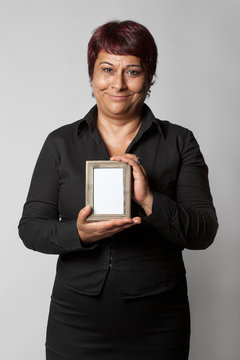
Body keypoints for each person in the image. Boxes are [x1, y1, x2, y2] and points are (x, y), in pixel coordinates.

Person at [18, 20, 218, 360]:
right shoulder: (61, 143)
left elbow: (204, 233)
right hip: (75, 321)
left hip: (158, 321)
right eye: (107, 69)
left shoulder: (180, 141)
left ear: (150, 76)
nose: (118, 84)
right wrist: (77, 233)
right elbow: (31, 228)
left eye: (133, 71)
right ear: (92, 75)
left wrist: (151, 201)